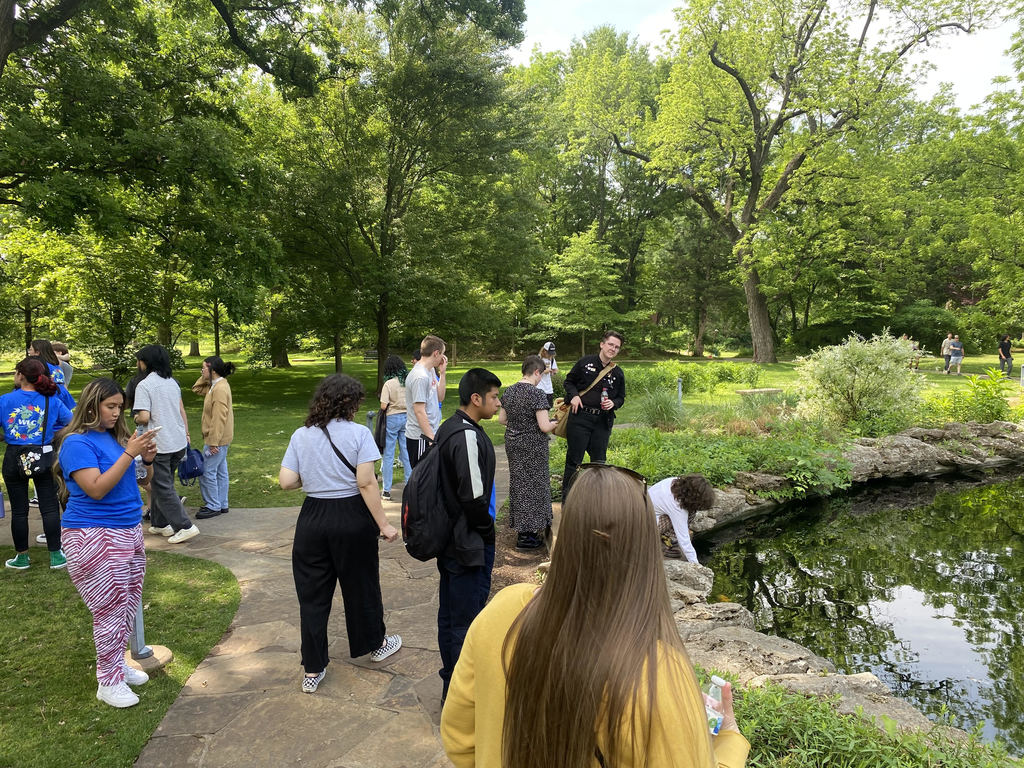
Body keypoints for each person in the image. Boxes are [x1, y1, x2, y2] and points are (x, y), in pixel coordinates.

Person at [441, 464, 750, 768]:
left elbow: (459, 740)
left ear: (569, 534)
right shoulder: (656, 675)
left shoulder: (502, 610)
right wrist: (729, 740)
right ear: (645, 550)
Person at [279, 374, 402, 694]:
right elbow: (366, 482)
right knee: (361, 585)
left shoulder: (300, 435)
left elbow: (287, 481)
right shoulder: (360, 434)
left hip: (313, 519)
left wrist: (316, 477)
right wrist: (384, 525)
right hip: (351, 518)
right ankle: (375, 645)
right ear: (350, 403)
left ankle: (313, 668)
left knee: (312, 596)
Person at [55, 378, 159, 708]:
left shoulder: (115, 438)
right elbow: (96, 488)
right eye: (110, 407)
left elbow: (141, 481)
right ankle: (108, 682)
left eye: (120, 407)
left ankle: (117, 666)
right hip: (92, 533)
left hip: (127, 530)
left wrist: (148, 460)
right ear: (91, 405)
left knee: (127, 605)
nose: (117, 413)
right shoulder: (76, 443)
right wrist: (130, 452)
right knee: (109, 610)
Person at [435, 367, 502, 700]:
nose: (497, 402)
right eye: (493, 397)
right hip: (468, 543)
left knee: (450, 616)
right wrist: (488, 531)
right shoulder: (466, 436)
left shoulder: (449, 427)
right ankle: (463, 697)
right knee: (465, 622)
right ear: (476, 399)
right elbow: (474, 498)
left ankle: (451, 688)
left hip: (452, 540)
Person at [2, 358, 74, 570]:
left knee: (19, 509)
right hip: (44, 454)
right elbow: (71, 422)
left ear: (20, 375)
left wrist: (8, 435)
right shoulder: (51, 400)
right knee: (50, 507)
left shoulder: (5, 400)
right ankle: (56, 555)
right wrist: (51, 434)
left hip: (14, 456)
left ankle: (22, 557)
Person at [133, 344, 199, 543]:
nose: (138, 364)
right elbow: (180, 410)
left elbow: (144, 417)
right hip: (177, 441)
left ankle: (185, 526)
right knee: (163, 482)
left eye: (140, 360)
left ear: (147, 362)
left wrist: (135, 418)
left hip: (159, 443)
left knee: (162, 487)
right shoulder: (172, 382)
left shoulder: (144, 385)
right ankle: (161, 523)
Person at [498, 355, 556, 551]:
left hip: (513, 444)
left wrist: (519, 425)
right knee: (534, 485)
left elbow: (502, 420)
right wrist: (558, 421)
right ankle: (529, 536)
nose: (541, 379)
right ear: (537, 372)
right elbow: (544, 426)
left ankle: (522, 531)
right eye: (541, 375)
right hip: (533, 446)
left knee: (519, 483)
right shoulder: (537, 394)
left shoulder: (509, 392)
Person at [561, 331, 626, 498]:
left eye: (617, 347)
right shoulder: (585, 363)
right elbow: (568, 382)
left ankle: (595, 503)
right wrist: (574, 396)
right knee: (574, 462)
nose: (613, 349)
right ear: (602, 344)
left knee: (599, 464)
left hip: (602, 422)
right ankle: (568, 503)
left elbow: (621, 397)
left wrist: (614, 403)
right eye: (611, 344)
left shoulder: (617, 373)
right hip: (580, 418)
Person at [192, 356, 236, 519]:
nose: (201, 371)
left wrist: (213, 442)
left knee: (207, 471)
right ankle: (222, 504)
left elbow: (219, 417)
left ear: (213, 371)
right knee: (220, 471)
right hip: (221, 438)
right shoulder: (216, 385)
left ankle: (213, 505)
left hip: (217, 439)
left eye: (203, 368)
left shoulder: (218, 389)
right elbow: (196, 389)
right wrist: (206, 376)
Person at [650, 473, 716, 563]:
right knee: (688, 513)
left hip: (647, 511)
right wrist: (696, 565)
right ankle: (666, 544)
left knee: (691, 511)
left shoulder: (676, 482)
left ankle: (668, 539)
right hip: (646, 527)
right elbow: (684, 541)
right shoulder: (676, 507)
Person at [405, 335, 448, 468]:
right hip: (421, 438)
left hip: (429, 435)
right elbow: (419, 411)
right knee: (422, 481)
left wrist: (443, 373)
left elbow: (440, 397)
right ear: (436, 353)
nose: (443, 358)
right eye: (442, 354)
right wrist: (431, 439)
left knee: (431, 480)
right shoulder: (420, 376)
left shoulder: (429, 372)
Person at [377, 354, 413, 501]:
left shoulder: (389, 384)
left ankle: (386, 490)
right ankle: (410, 485)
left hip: (392, 418)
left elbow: (383, 405)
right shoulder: (408, 382)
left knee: (388, 454)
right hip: (407, 417)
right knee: (406, 452)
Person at [28, 338, 76, 411]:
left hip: (49, 402)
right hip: (63, 400)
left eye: (31, 349)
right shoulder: (56, 366)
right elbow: (64, 386)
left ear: (37, 352)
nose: (29, 352)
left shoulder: (39, 367)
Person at [538, 341, 558, 408]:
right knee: (540, 408)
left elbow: (555, 369)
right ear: (544, 351)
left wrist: (554, 372)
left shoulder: (552, 359)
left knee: (549, 407)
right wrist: (545, 371)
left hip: (549, 388)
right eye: (549, 353)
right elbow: (535, 372)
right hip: (539, 387)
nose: (550, 355)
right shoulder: (538, 359)